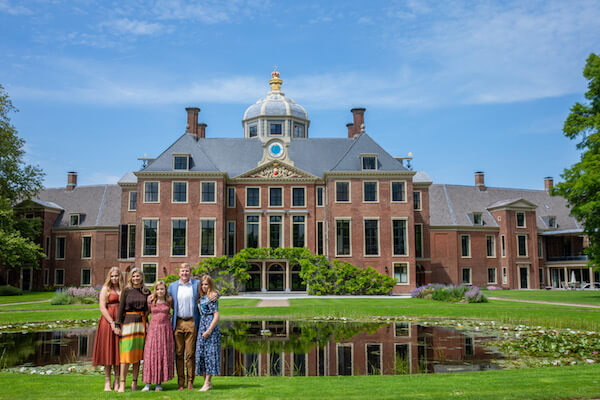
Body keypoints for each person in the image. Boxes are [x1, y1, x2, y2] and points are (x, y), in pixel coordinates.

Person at [168, 263, 218, 391]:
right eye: (182, 271)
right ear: (179, 273)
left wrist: (216, 293)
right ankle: (180, 383)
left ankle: (190, 382)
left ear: (190, 272)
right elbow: (165, 299)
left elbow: (208, 289)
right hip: (178, 322)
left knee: (190, 354)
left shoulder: (196, 284)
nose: (184, 273)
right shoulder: (172, 286)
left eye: (187, 271)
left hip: (192, 322)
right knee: (178, 354)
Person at [114, 267, 150, 392]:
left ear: (142, 277)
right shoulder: (126, 291)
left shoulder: (146, 291)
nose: (136, 278)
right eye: (133, 276)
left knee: (137, 355)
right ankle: (123, 383)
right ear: (131, 278)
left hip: (141, 324)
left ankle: (134, 382)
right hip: (128, 323)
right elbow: (120, 309)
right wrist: (117, 325)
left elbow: (150, 307)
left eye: (138, 276)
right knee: (126, 354)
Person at [92, 266, 124, 391]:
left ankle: (117, 380)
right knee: (108, 351)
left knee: (118, 352)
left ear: (120, 276)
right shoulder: (106, 289)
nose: (114, 278)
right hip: (108, 322)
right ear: (109, 277)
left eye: (116, 275)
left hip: (120, 320)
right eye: (112, 276)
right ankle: (107, 382)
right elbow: (102, 307)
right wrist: (112, 323)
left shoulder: (123, 289)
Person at [141, 281, 175, 392]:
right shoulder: (151, 300)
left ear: (165, 290)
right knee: (151, 354)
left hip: (165, 330)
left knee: (162, 354)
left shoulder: (169, 300)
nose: (160, 291)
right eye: (158, 289)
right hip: (153, 329)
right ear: (155, 290)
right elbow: (146, 313)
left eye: (162, 289)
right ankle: (147, 383)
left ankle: (159, 383)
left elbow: (175, 312)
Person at [195, 274, 221, 392]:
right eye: (202, 284)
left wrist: (209, 330)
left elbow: (217, 315)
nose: (204, 286)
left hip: (210, 326)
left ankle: (207, 383)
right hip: (202, 325)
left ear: (210, 285)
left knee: (210, 354)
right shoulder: (202, 297)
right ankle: (207, 382)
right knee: (201, 354)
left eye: (206, 284)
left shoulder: (212, 297)